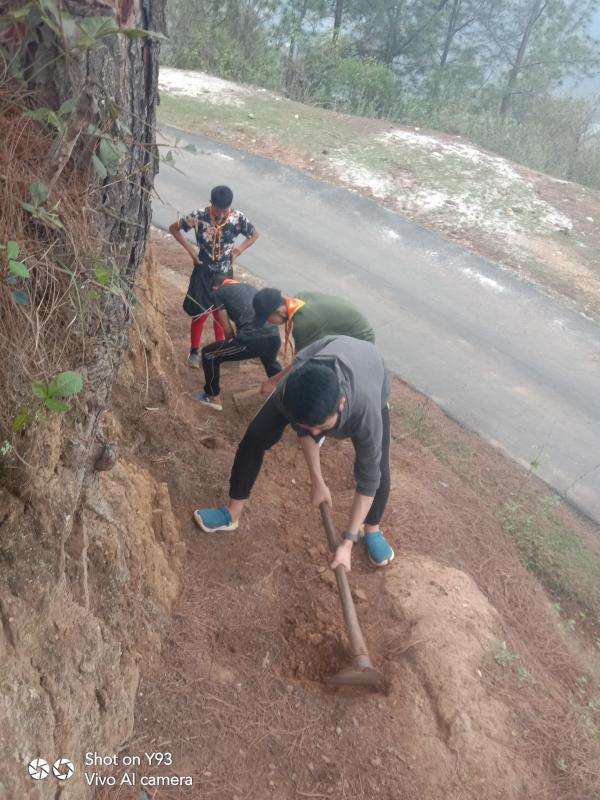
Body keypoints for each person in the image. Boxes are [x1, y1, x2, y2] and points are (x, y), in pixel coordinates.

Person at [194, 336, 395, 569]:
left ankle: (371, 529)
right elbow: (305, 432)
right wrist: (317, 481)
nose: (316, 433)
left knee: (378, 469)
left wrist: (347, 542)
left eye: (322, 426)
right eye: (309, 427)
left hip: (371, 372)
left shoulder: (366, 411)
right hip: (323, 353)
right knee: (255, 435)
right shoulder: (288, 392)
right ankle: (232, 513)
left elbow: (368, 480)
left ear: (340, 404)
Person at [169, 185, 259, 367]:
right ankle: (194, 352)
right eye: (218, 210)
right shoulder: (199, 216)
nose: (221, 214)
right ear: (211, 204)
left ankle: (219, 351)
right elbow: (174, 229)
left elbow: (254, 234)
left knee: (221, 314)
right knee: (200, 313)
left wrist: (238, 251)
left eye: (225, 210)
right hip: (203, 269)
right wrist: (192, 252)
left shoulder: (237, 218)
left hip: (225, 272)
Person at [252, 287, 375, 394]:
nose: (269, 323)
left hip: (360, 339)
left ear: (279, 312)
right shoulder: (299, 298)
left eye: (269, 319)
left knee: (324, 374)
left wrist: (274, 382)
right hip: (348, 329)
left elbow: (300, 361)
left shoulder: (304, 323)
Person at [193, 275, 282, 411]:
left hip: (252, 339)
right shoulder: (248, 286)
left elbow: (227, 329)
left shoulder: (219, 292)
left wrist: (231, 346)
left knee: (209, 354)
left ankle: (212, 397)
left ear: (215, 287)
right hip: (274, 336)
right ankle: (286, 397)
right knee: (271, 364)